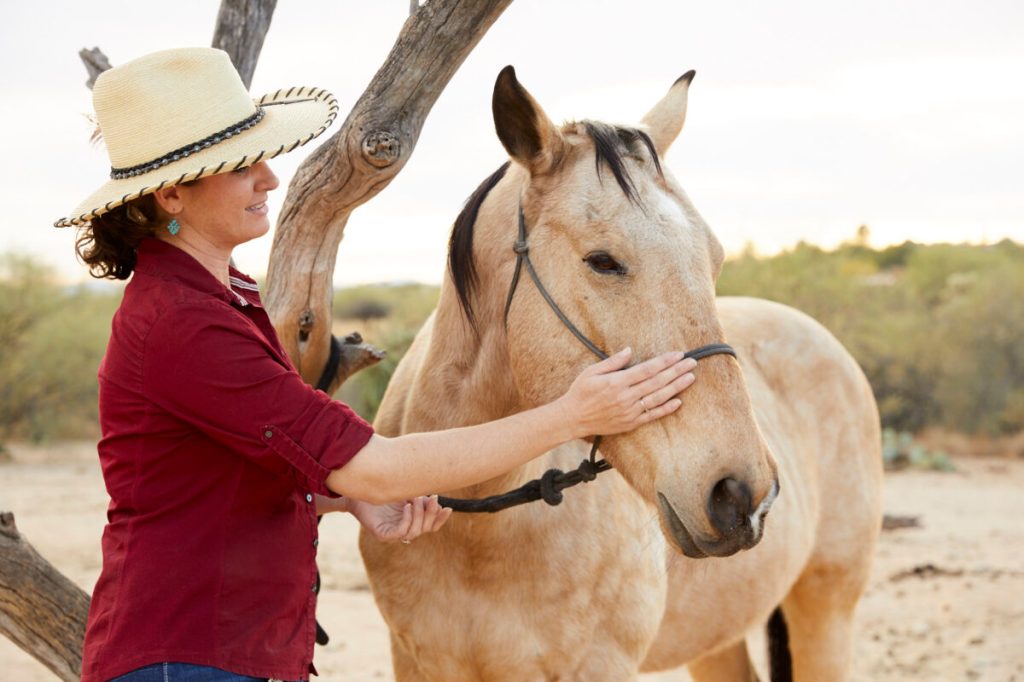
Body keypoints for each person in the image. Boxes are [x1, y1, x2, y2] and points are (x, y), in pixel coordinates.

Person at [55, 48, 698, 682]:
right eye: (241, 167)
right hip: (187, 659)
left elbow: (222, 474)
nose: (270, 179)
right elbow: (377, 465)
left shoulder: (221, 297)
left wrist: (348, 501)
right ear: (172, 195)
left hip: (218, 651)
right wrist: (572, 414)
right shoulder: (182, 321)